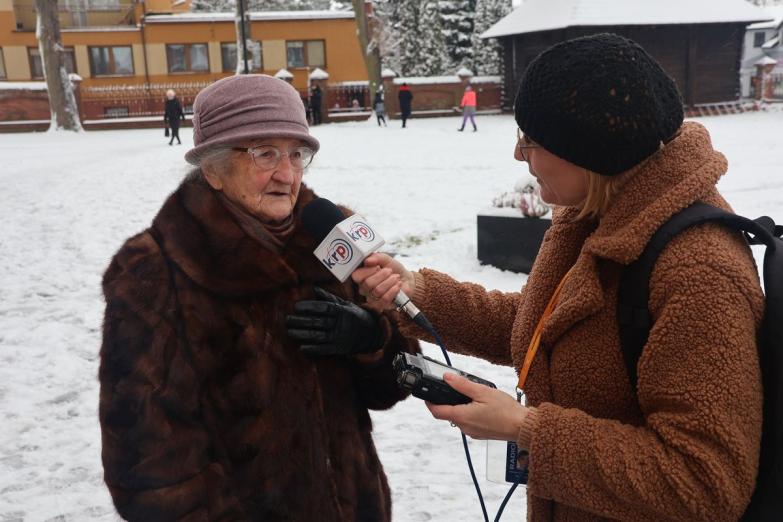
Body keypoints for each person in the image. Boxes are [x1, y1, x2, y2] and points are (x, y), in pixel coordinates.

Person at [354, 33, 763, 521]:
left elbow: (703, 481)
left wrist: (527, 431)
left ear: (588, 151)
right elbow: (548, 332)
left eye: (532, 140)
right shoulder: (596, 212)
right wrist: (417, 295)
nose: (518, 154)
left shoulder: (699, 269)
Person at [99, 74, 419, 521]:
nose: (286, 175)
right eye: (264, 153)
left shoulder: (331, 236)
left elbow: (391, 389)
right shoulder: (154, 273)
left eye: (295, 153)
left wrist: (373, 338)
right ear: (212, 169)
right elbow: (147, 471)